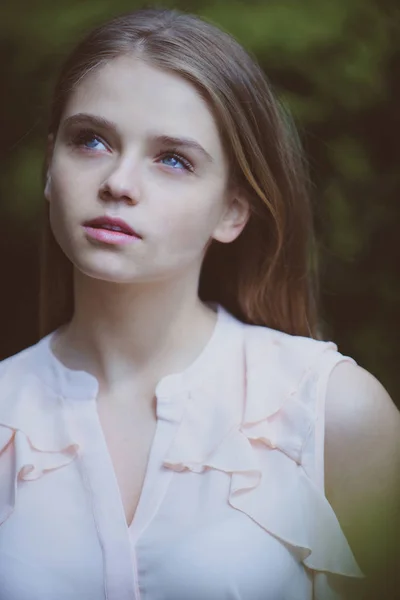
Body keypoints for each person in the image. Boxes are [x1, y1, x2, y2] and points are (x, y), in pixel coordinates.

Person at [0, 7, 399, 600]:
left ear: (233, 210)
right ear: (49, 167)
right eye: (91, 140)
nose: (119, 181)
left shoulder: (332, 414)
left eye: (173, 159)